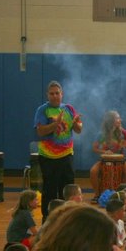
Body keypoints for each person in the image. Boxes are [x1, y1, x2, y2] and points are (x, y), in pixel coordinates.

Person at [34, 80, 82, 221]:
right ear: (47, 95)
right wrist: (55, 124)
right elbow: (41, 132)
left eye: (57, 93)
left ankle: (67, 219)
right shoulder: (42, 110)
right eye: (52, 94)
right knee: (49, 190)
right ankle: (48, 220)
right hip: (48, 157)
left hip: (66, 155)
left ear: (62, 94)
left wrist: (75, 124)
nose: (55, 96)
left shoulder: (69, 109)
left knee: (67, 189)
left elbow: (78, 130)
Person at [90, 111, 126, 197]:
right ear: (111, 121)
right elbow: (94, 148)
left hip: (121, 160)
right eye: (117, 118)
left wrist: (125, 146)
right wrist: (104, 152)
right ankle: (97, 194)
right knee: (93, 171)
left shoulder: (123, 132)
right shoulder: (101, 134)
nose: (120, 120)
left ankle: (124, 193)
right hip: (104, 161)